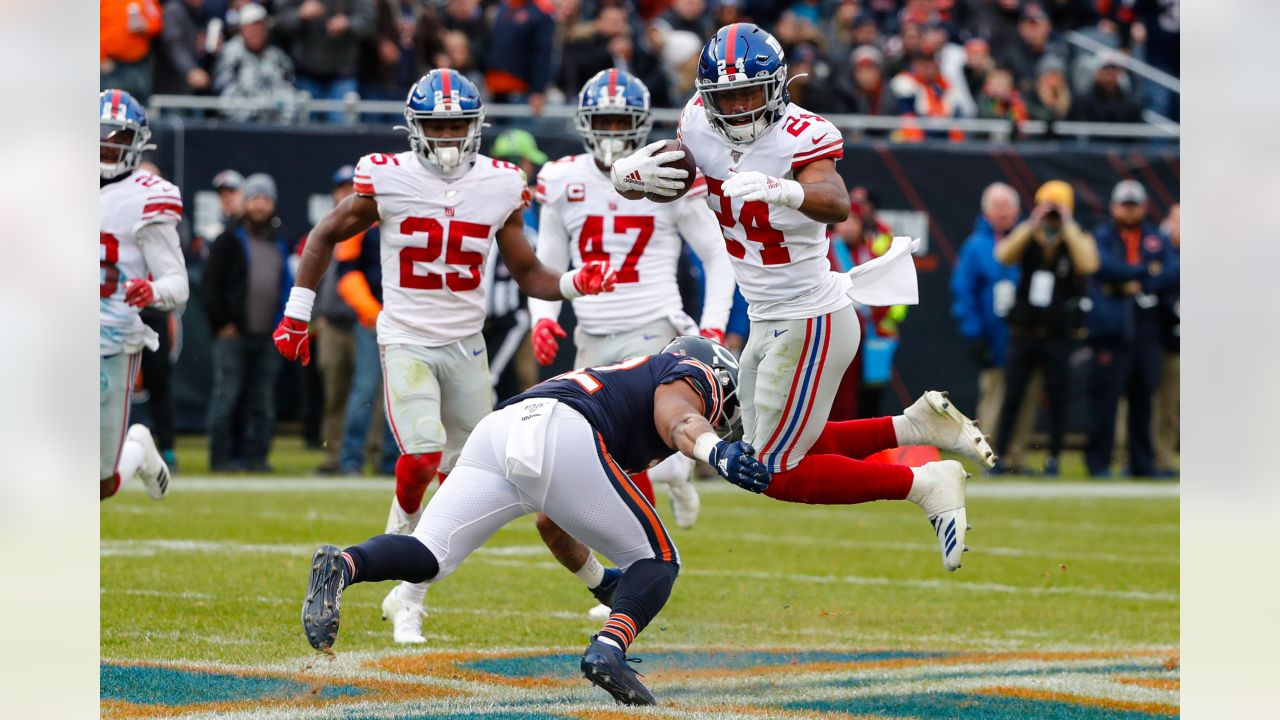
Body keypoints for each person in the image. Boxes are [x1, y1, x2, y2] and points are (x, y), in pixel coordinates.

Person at [611, 23, 993, 573]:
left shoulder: (802, 134)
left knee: (772, 471)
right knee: (777, 448)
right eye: (728, 98)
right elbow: (679, 163)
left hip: (809, 317)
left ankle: (923, 481)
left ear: (778, 87)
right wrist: (633, 176)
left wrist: (783, 189)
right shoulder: (697, 118)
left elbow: (836, 201)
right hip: (771, 316)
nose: (740, 110)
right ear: (706, 97)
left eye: (750, 94)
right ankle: (915, 429)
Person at [273, 69, 618, 643]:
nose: (450, 137)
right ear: (415, 129)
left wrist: (579, 283)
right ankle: (390, 556)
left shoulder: (500, 185)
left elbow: (529, 273)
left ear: (477, 127)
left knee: (466, 485)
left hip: (467, 347)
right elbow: (324, 235)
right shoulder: (387, 177)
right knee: (422, 452)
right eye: (438, 125)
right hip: (406, 336)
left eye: (459, 125)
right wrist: (296, 311)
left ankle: (407, 596)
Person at [300, 337, 766, 705]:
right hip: (563, 428)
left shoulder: (628, 385)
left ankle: (343, 564)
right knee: (661, 559)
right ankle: (609, 649)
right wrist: (715, 450)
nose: (727, 413)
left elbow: (551, 520)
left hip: (502, 430)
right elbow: (681, 420)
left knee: (429, 556)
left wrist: (601, 581)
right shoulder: (689, 374)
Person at [529, 68, 736, 612]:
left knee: (629, 453)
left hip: (655, 327)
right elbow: (547, 264)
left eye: (624, 121)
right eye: (606, 120)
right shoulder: (562, 179)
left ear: (642, 124)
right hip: (592, 332)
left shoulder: (666, 174)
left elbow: (717, 255)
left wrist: (711, 324)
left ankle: (643, 563)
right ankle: (672, 479)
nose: (615, 131)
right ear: (585, 123)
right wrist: (542, 318)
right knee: (593, 458)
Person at [100, 89, 189, 501]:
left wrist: (151, 289)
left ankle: (138, 447)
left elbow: (178, 283)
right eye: (101, 134)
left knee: (100, 483)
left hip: (112, 341)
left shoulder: (146, 197)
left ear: (137, 143)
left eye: (119, 137)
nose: (107, 144)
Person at [992, 180, 1099, 476]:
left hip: (1058, 334)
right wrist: (1032, 224)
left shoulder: (1074, 238)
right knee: (1012, 396)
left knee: (1058, 398)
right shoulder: (1029, 236)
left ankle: (1052, 457)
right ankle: (1000, 455)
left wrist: (1069, 225)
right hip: (1024, 332)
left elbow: (1089, 264)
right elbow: (1002, 255)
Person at [1085, 181, 1178, 477]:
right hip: (1112, 330)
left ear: (1143, 206)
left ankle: (1141, 463)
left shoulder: (1154, 237)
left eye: (1133, 204)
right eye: (1124, 204)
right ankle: (1099, 462)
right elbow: (1104, 267)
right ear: (1114, 207)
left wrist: (1136, 279)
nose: (1129, 210)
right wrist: (1145, 270)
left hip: (1147, 331)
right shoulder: (1103, 234)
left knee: (1143, 400)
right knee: (1106, 401)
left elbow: (1173, 270)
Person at [204, 173, 293, 472]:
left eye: (265, 199)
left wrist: (284, 325)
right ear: (246, 202)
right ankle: (221, 458)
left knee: (263, 403)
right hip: (234, 335)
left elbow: (287, 286)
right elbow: (210, 285)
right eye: (254, 198)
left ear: (273, 204)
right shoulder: (228, 239)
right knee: (226, 398)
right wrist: (222, 322)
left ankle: (256, 458)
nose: (259, 205)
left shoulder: (279, 242)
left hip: (268, 335)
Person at [950, 182, 1038, 473]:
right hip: (994, 333)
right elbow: (964, 292)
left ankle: (1015, 456)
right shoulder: (976, 246)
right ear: (986, 211)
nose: (1002, 213)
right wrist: (974, 333)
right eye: (996, 207)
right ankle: (988, 456)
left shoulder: (1030, 241)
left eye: (1007, 207)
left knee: (1026, 395)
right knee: (994, 395)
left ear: (1017, 210)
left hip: (1026, 332)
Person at [486, 129, 548, 403]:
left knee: (525, 379)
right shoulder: (484, 197)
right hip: (489, 309)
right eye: (526, 162)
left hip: (522, 308)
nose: (531, 168)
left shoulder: (538, 202)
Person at [275, 0, 375, 122]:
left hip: (342, 74)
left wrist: (348, 24)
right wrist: (300, 14)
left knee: (342, 130)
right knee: (306, 131)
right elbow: (280, 20)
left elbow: (370, 22)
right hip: (306, 73)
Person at [213, 4, 298, 122]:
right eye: (250, 29)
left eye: (259, 28)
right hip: (239, 126)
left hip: (274, 125)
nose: (255, 34)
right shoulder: (230, 55)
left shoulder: (278, 57)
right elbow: (224, 97)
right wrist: (256, 111)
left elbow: (289, 90)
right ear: (241, 31)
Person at [1153, 202, 1179, 475]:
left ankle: (1166, 456)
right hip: (1157, 337)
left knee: (1172, 404)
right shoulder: (1158, 248)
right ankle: (1140, 456)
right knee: (1151, 402)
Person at [100, 0, 164, 101]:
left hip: (139, 65)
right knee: (110, 106)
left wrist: (146, 26)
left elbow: (156, 21)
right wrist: (100, 57)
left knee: (138, 104)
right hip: (111, 65)